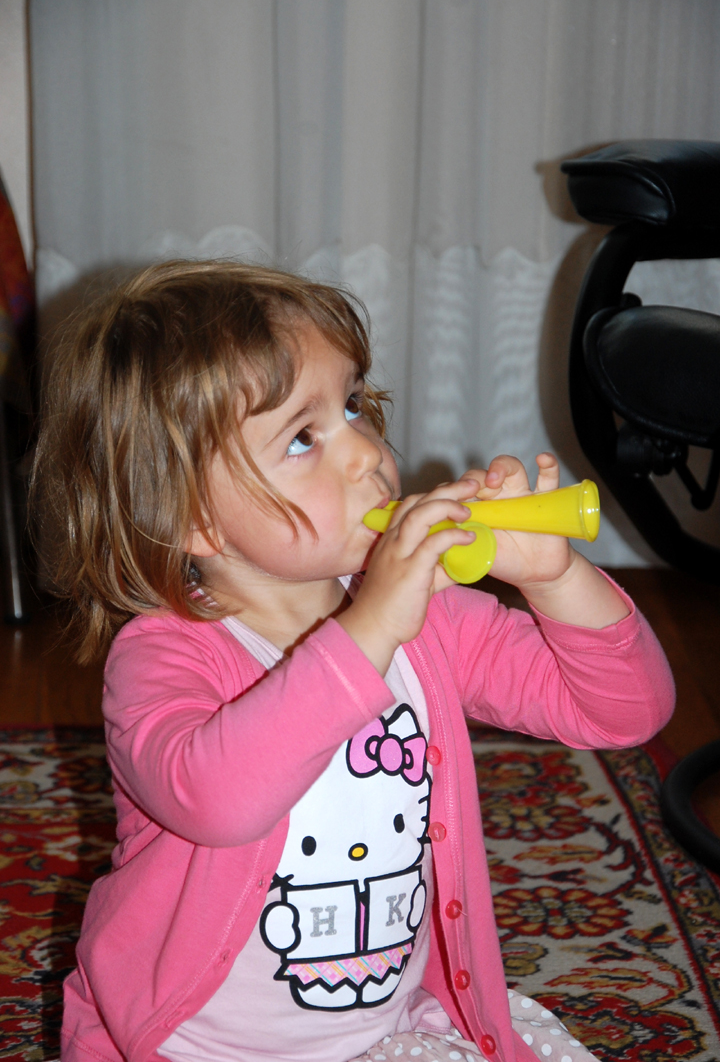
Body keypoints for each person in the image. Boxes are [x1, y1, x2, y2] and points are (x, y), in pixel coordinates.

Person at [35, 260, 674, 1062]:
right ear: (194, 517)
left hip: (382, 1031)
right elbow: (218, 799)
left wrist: (555, 578)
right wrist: (370, 626)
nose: (366, 453)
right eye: (303, 438)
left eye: (352, 405)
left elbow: (626, 710)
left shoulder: (423, 618)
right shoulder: (160, 657)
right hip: (187, 1044)